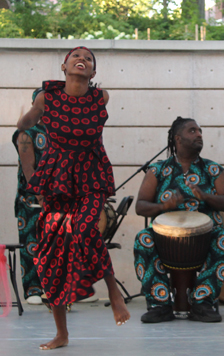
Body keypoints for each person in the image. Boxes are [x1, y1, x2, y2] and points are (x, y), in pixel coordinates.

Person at [17, 46, 130, 350]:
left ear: (93, 72)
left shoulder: (100, 97)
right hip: (56, 175)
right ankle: (61, 333)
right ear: (64, 66)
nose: (82, 59)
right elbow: (23, 125)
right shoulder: (46, 98)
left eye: (89, 59)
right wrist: (28, 120)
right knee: (51, 255)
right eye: (76, 56)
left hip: (91, 174)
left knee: (82, 230)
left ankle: (114, 293)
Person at [134, 116, 224, 323]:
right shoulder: (158, 170)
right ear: (177, 139)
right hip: (165, 236)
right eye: (192, 131)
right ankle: (159, 304)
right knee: (142, 238)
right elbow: (140, 206)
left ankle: (203, 302)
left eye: (199, 131)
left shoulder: (213, 169)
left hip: (206, 235)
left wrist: (205, 196)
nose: (199, 134)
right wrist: (164, 207)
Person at [12, 88, 45, 305]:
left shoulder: (60, 131)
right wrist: (41, 195)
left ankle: (59, 289)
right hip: (32, 200)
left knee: (56, 245)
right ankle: (33, 289)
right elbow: (28, 169)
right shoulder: (27, 133)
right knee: (32, 243)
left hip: (58, 197)